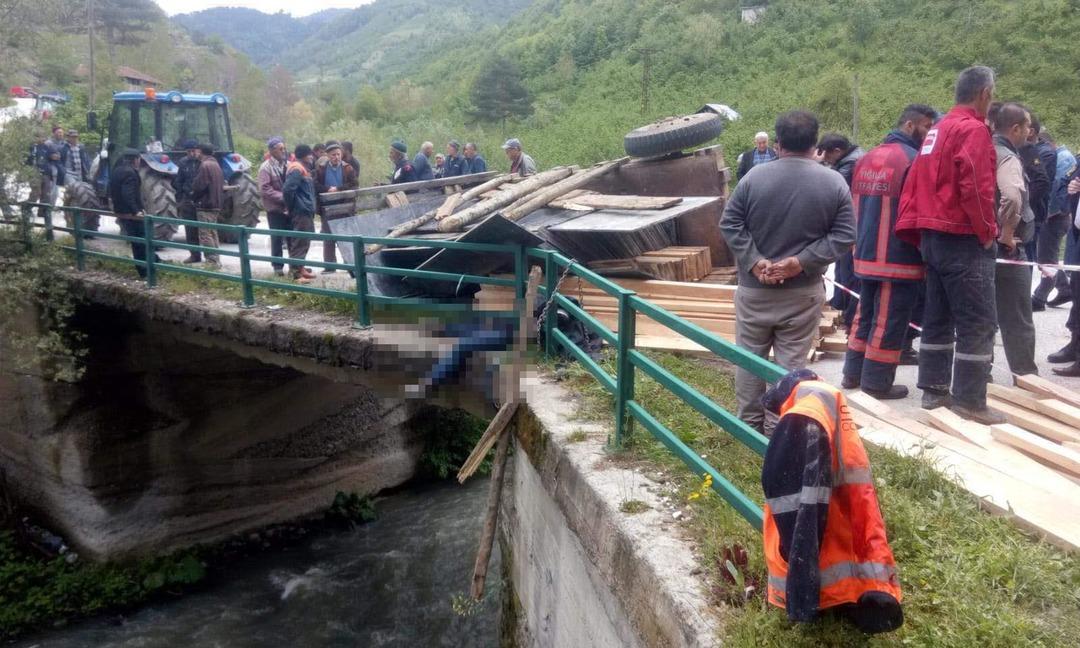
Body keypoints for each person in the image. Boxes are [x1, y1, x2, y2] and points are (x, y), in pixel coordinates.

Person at [720, 110, 856, 434]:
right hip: (803, 292)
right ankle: (777, 433)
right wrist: (802, 261)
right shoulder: (833, 181)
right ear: (815, 144)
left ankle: (748, 430)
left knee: (749, 362)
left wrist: (754, 261)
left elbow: (730, 223)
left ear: (777, 143)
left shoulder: (753, 178)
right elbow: (845, 236)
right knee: (790, 366)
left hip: (755, 290)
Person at [895, 66, 1004, 424]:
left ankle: (934, 391)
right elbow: (976, 183)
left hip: (932, 238)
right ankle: (971, 401)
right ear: (985, 93)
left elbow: (915, 183)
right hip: (961, 238)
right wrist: (988, 230)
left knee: (937, 316)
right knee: (977, 320)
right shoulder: (972, 130)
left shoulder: (937, 130)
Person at [761, 369, 903, 633]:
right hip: (848, 531)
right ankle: (862, 593)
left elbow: (794, 509)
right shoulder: (829, 399)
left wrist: (799, 587)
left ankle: (833, 598)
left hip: (818, 559)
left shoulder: (801, 417)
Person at [842, 104, 937, 400]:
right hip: (899, 257)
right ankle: (877, 383)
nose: (930, 134)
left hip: (865, 253)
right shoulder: (913, 160)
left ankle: (852, 374)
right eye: (926, 127)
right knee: (890, 320)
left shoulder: (867, 157)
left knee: (864, 316)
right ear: (911, 125)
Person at [990, 103, 1039, 376]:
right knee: (1017, 318)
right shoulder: (1007, 156)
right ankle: (1027, 379)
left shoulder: (983, 149)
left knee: (983, 319)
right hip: (1007, 249)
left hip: (982, 245)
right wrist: (1007, 232)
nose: (1030, 132)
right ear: (1015, 128)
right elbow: (1011, 195)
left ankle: (978, 376)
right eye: (1027, 126)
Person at [817, 133, 865, 329]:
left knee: (849, 273)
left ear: (837, 151)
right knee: (841, 269)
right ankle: (840, 305)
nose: (826, 160)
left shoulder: (851, 164)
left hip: (852, 224)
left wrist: (817, 165)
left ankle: (849, 315)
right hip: (849, 223)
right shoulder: (848, 159)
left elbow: (833, 186)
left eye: (827, 157)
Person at [1034, 131, 1075, 310]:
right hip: (1056, 216)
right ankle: (1064, 288)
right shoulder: (1060, 156)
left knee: (1046, 257)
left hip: (1055, 217)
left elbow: (1059, 190)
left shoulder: (1062, 157)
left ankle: (1040, 297)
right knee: (1045, 255)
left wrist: (1047, 214)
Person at [314, 141, 358, 271]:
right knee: (328, 237)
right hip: (327, 208)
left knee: (345, 237)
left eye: (338, 154)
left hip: (344, 206)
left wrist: (338, 189)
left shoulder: (348, 168)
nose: (336, 157)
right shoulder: (321, 169)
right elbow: (315, 186)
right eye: (333, 155)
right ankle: (330, 266)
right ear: (327, 155)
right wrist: (328, 189)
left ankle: (349, 265)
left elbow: (354, 185)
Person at [108, 149, 152, 278]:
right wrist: (136, 211)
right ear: (136, 159)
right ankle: (145, 270)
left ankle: (153, 262)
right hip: (130, 214)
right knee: (141, 241)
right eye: (139, 159)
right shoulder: (130, 173)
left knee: (137, 241)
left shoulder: (116, 171)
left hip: (121, 211)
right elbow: (128, 194)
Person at [282, 144, 317, 284]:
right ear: (304, 155)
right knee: (300, 241)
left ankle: (300, 267)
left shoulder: (301, 168)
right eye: (310, 155)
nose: (312, 157)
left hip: (305, 210)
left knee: (304, 240)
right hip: (301, 210)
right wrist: (292, 207)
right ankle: (295, 274)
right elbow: (287, 190)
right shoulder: (296, 169)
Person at [258, 136, 290, 276]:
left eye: (284, 148)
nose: (283, 151)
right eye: (280, 149)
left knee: (292, 237)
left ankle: (296, 266)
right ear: (272, 151)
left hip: (289, 208)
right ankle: (277, 266)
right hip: (275, 209)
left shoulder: (288, 164)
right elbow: (265, 189)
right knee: (277, 238)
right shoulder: (265, 168)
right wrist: (283, 197)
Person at [190, 143, 224, 268]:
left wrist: (193, 196)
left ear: (201, 152)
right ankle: (216, 259)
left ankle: (212, 261)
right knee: (213, 232)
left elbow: (200, 185)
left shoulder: (205, 165)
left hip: (206, 204)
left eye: (197, 151)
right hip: (216, 203)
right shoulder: (216, 164)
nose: (196, 153)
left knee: (205, 234)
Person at [173, 139, 201, 263]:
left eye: (193, 151)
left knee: (206, 230)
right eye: (189, 151)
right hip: (187, 200)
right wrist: (180, 198)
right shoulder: (183, 163)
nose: (191, 153)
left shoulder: (203, 162)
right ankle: (195, 255)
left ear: (198, 150)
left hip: (202, 200)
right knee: (190, 229)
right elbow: (178, 181)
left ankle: (212, 258)